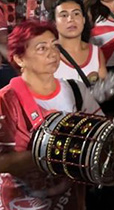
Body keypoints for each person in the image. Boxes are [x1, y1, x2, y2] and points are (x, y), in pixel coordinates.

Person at [0, 21, 102, 210]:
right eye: (41, 48)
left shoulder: (75, 90)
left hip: (70, 201)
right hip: (19, 203)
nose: (53, 53)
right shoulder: (5, 101)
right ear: (20, 59)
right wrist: (58, 152)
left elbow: (99, 134)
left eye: (55, 45)